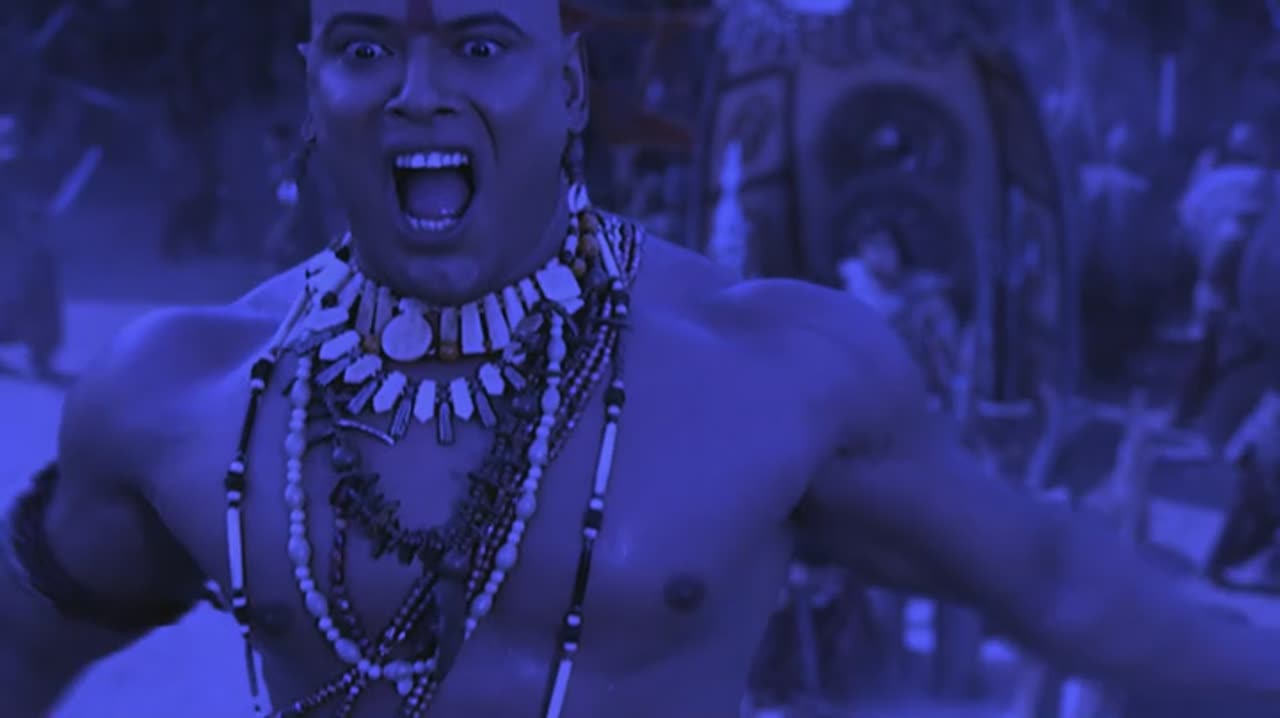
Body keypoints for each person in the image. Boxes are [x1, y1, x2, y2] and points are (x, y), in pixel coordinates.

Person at [3, 1, 1280, 716]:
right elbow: (22, 649)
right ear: (311, 87)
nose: (416, 91)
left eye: (479, 44)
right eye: (365, 47)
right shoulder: (181, 393)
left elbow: (1055, 584)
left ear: (568, 88)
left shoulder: (772, 364)